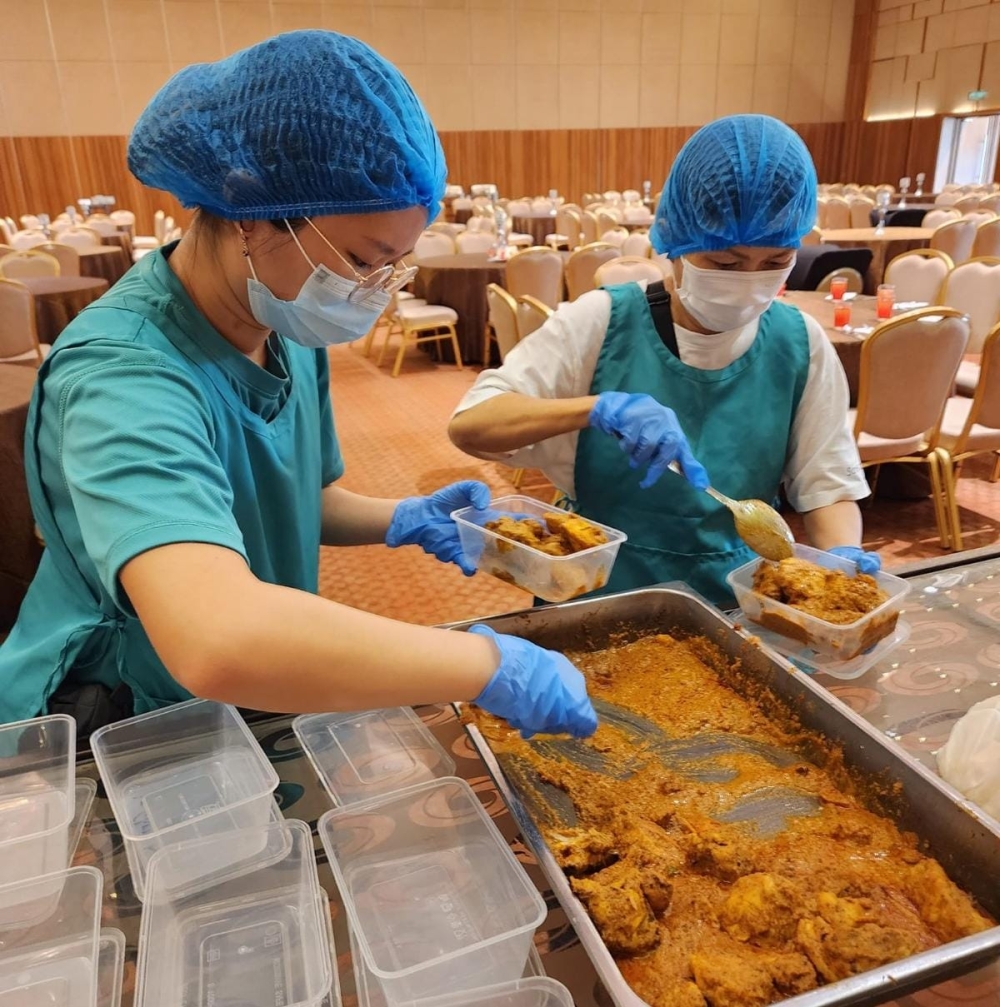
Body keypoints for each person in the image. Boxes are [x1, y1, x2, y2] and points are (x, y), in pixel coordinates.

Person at [0, 31, 596, 742]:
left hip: (255, 682)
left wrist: (405, 517)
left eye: (395, 266)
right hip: (127, 711)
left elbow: (297, 497)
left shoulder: (278, 317)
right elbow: (214, 636)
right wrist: (481, 662)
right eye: (361, 260)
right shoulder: (124, 373)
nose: (369, 292)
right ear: (254, 217)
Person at [449, 115, 879, 607]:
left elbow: (828, 484)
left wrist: (843, 560)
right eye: (726, 264)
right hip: (598, 588)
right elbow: (471, 425)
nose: (748, 282)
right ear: (674, 243)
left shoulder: (799, 341)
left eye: (775, 262)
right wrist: (593, 409)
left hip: (737, 604)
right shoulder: (602, 321)